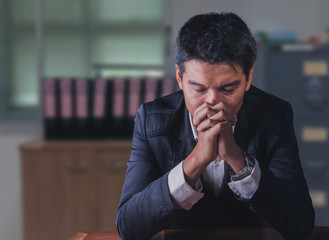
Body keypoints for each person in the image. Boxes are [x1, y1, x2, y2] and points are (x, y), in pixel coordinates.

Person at [116, 12, 314, 240]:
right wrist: (197, 159)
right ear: (180, 77)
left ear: (248, 78)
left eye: (228, 89)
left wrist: (238, 160)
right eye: (199, 89)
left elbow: (301, 224)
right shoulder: (151, 120)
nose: (212, 101)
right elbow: (128, 227)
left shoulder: (275, 116)